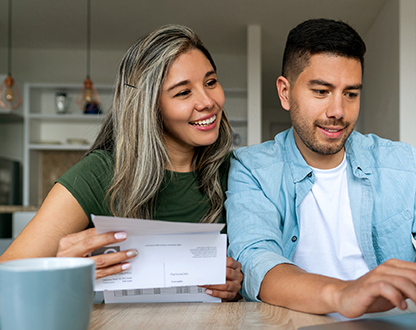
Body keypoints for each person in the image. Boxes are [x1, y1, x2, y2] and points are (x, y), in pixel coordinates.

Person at [225, 18, 416, 316]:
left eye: (351, 94)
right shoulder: (252, 167)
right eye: (321, 91)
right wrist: (344, 293)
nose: (338, 111)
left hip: (394, 323)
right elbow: (256, 262)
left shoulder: (402, 163)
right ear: (285, 92)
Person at [0, 24, 243, 301]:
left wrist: (238, 285)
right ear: (149, 107)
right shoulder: (99, 174)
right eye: (183, 93)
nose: (208, 101)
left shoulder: (236, 172)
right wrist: (62, 271)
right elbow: (6, 276)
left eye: (210, 82)